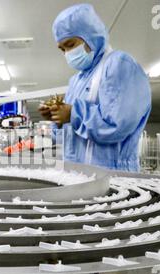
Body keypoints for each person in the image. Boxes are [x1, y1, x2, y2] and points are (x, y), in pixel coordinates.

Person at [39, 3, 152, 172]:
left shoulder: (118, 65)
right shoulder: (76, 81)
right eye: (62, 49)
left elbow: (116, 127)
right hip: (76, 175)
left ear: (91, 35)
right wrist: (57, 119)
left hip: (114, 177)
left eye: (70, 45)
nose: (67, 54)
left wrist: (72, 114)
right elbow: (69, 140)